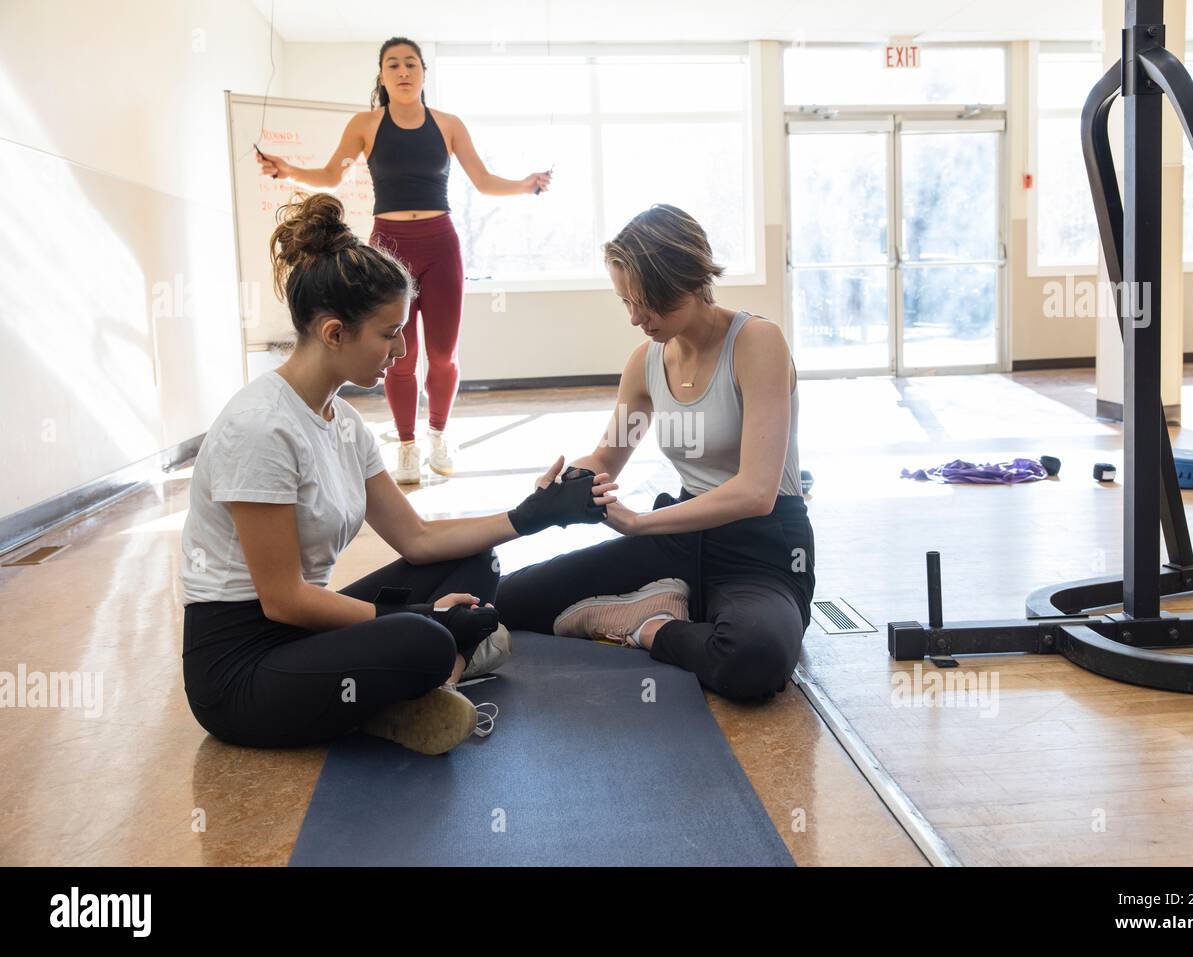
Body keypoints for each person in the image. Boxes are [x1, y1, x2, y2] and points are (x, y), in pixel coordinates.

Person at [180, 192, 613, 755]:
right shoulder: (261, 427)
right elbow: (283, 600)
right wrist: (421, 617)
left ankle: (426, 691)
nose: (403, 349)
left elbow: (419, 538)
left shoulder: (343, 421)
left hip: (303, 636)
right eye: (390, 333)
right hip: (241, 670)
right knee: (423, 638)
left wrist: (532, 516)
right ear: (335, 333)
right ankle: (431, 672)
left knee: (472, 563)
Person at [496, 205, 816, 701]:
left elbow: (757, 492)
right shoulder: (646, 361)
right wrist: (567, 484)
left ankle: (651, 625)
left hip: (763, 549)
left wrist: (640, 523)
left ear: (688, 282)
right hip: (681, 536)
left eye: (646, 303)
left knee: (754, 660)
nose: (634, 319)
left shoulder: (757, 343)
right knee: (511, 600)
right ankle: (664, 599)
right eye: (626, 301)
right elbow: (609, 454)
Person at [258, 36, 552, 482]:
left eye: (411, 64)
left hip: (440, 243)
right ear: (382, 75)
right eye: (393, 64)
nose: (402, 71)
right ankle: (408, 446)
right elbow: (332, 176)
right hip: (389, 247)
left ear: (423, 74)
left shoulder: (449, 124)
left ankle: (438, 434)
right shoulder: (366, 124)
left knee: (443, 354)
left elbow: (484, 180)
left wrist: (525, 184)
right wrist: (288, 171)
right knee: (400, 354)